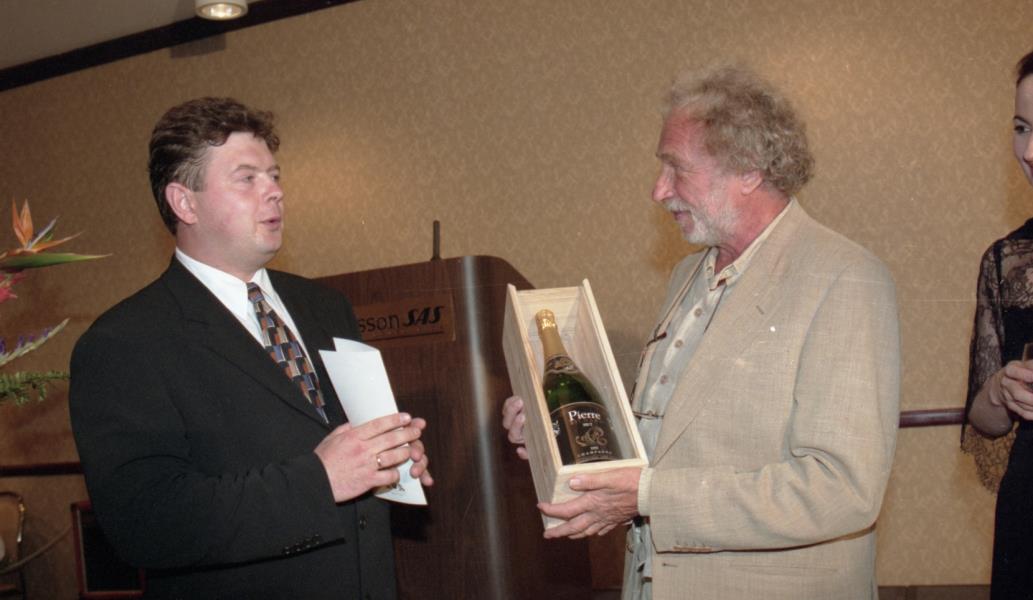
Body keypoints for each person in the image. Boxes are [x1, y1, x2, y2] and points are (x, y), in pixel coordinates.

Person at [502, 66, 900, 599]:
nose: (658, 190)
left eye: (676, 167)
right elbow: (670, 443)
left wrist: (647, 496)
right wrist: (562, 438)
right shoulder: (686, 276)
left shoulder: (844, 277)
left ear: (748, 169)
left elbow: (842, 489)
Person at [69, 97, 432, 600]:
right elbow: (145, 522)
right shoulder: (123, 343)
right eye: (247, 179)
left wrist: (391, 459)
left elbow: (349, 447)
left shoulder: (326, 306)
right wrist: (319, 480)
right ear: (184, 203)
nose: (275, 191)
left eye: (274, 176)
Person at [963, 49, 1033, 600]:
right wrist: (1000, 389)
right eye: (1021, 128)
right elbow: (983, 421)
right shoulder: (1007, 260)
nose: (1029, 152)